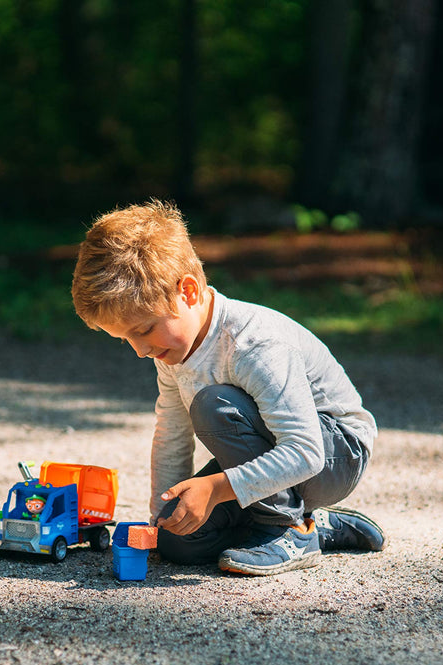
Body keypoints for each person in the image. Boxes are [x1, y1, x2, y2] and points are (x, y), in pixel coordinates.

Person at [71, 199, 386, 577]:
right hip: (273, 453)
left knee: (213, 406)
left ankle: (291, 529)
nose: (141, 350)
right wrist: (159, 518)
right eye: (125, 339)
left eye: (143, 330)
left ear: (187, 291)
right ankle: (314, 523)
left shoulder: (252, 345)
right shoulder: (172, 350)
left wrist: (218, 488)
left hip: (335, 455)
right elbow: (172, 433)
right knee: (179, 539)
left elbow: (305, 452)